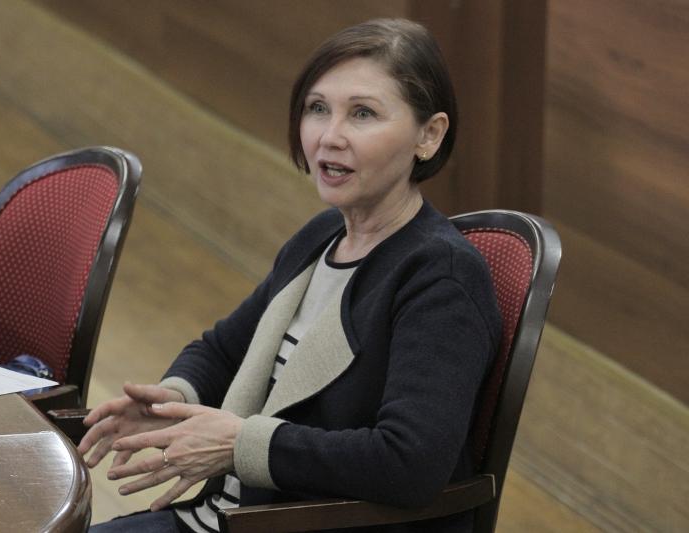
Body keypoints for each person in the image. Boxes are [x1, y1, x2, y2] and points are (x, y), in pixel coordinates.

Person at [79, 17, 501, 533]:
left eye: (363, 113)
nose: (329, 136)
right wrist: (176, 401)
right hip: (227, 519)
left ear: (429, 136)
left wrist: (241, 444)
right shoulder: (321, 236)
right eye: (317, 108)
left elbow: (409, 463)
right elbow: (222, 351)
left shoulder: (441, 275)